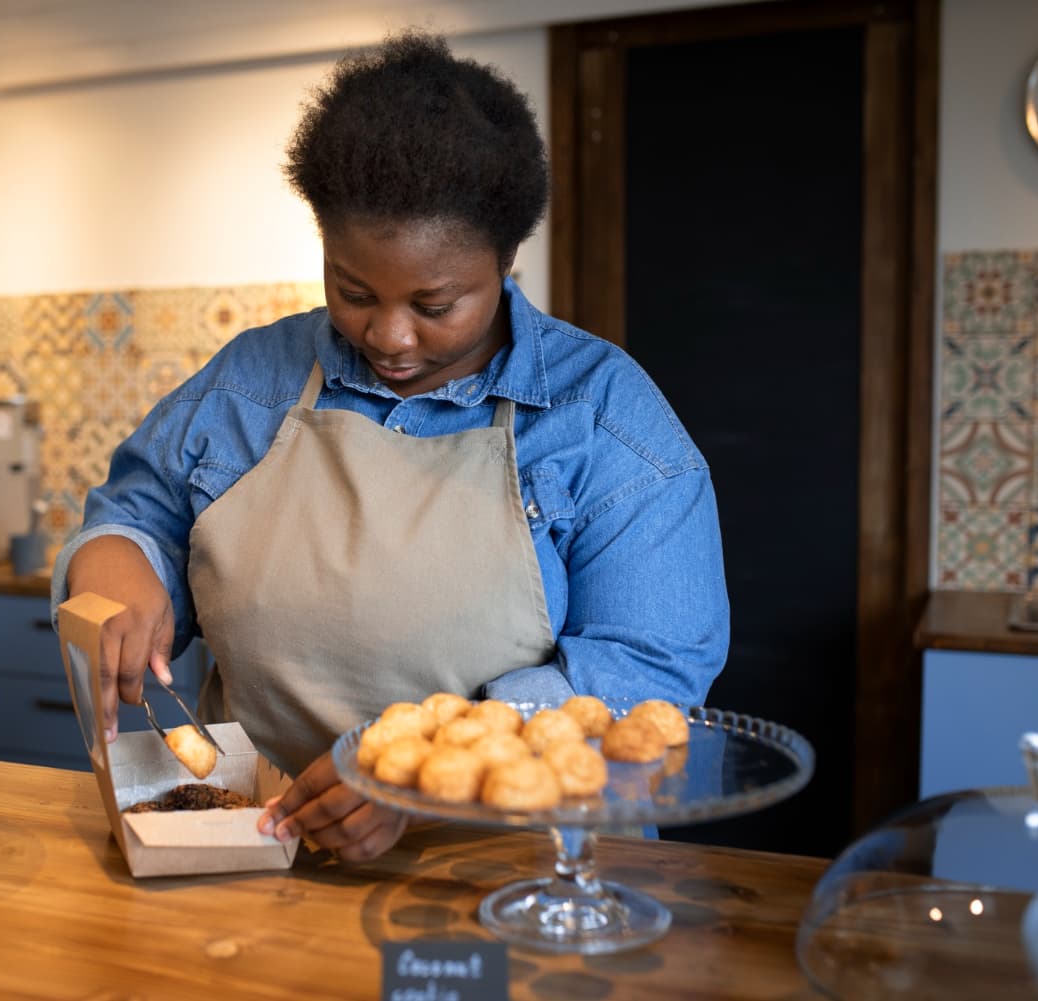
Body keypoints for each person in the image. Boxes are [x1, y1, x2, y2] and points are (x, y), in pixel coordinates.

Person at [51, 29, 728, 862]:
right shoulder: (251, 383)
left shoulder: (605, 420)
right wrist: (119, 563)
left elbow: (646, 674)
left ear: (509, 261)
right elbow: (141, 511)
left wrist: (425, 774)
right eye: (354, 290)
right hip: (255, 854)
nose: (391, 335)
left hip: (526, 874)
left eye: (437, 304)